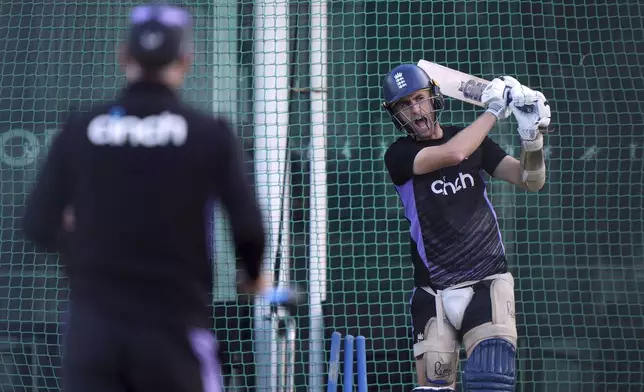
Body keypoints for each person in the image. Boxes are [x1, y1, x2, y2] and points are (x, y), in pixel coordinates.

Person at [21, 4, 275, 392]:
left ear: (124, 55)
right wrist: (252, 276)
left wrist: (80, 251)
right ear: (185, 60)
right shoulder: (208, 134)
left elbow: (37, 223)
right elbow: (249, 228)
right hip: (173, 330)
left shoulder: (81, 129)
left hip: (94, 332)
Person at [380, 64, 551, 392]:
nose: (415, 109)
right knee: (434, 388)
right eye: (404, 104)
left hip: (486, 284)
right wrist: (496, 109)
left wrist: (532, 140)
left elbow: (530, 180)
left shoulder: (473, 141)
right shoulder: (398, 155)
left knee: (492, 381)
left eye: (419, 98)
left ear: (434, 98)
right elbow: (454, 153)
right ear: (394, 114)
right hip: (434, 293)